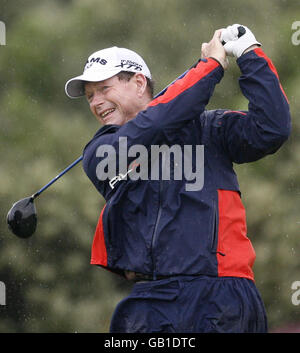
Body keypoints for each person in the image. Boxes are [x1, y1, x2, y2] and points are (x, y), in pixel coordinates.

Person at [64, 24, 291, 333]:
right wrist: (209, 67)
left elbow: (272, 128)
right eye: (90, 96)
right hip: (150, 301)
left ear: (139, 82)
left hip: (222, 293)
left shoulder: (211, 130)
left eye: (104, 89)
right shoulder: (101, 153)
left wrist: (250, 55)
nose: (96, 102)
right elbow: (155, 124)